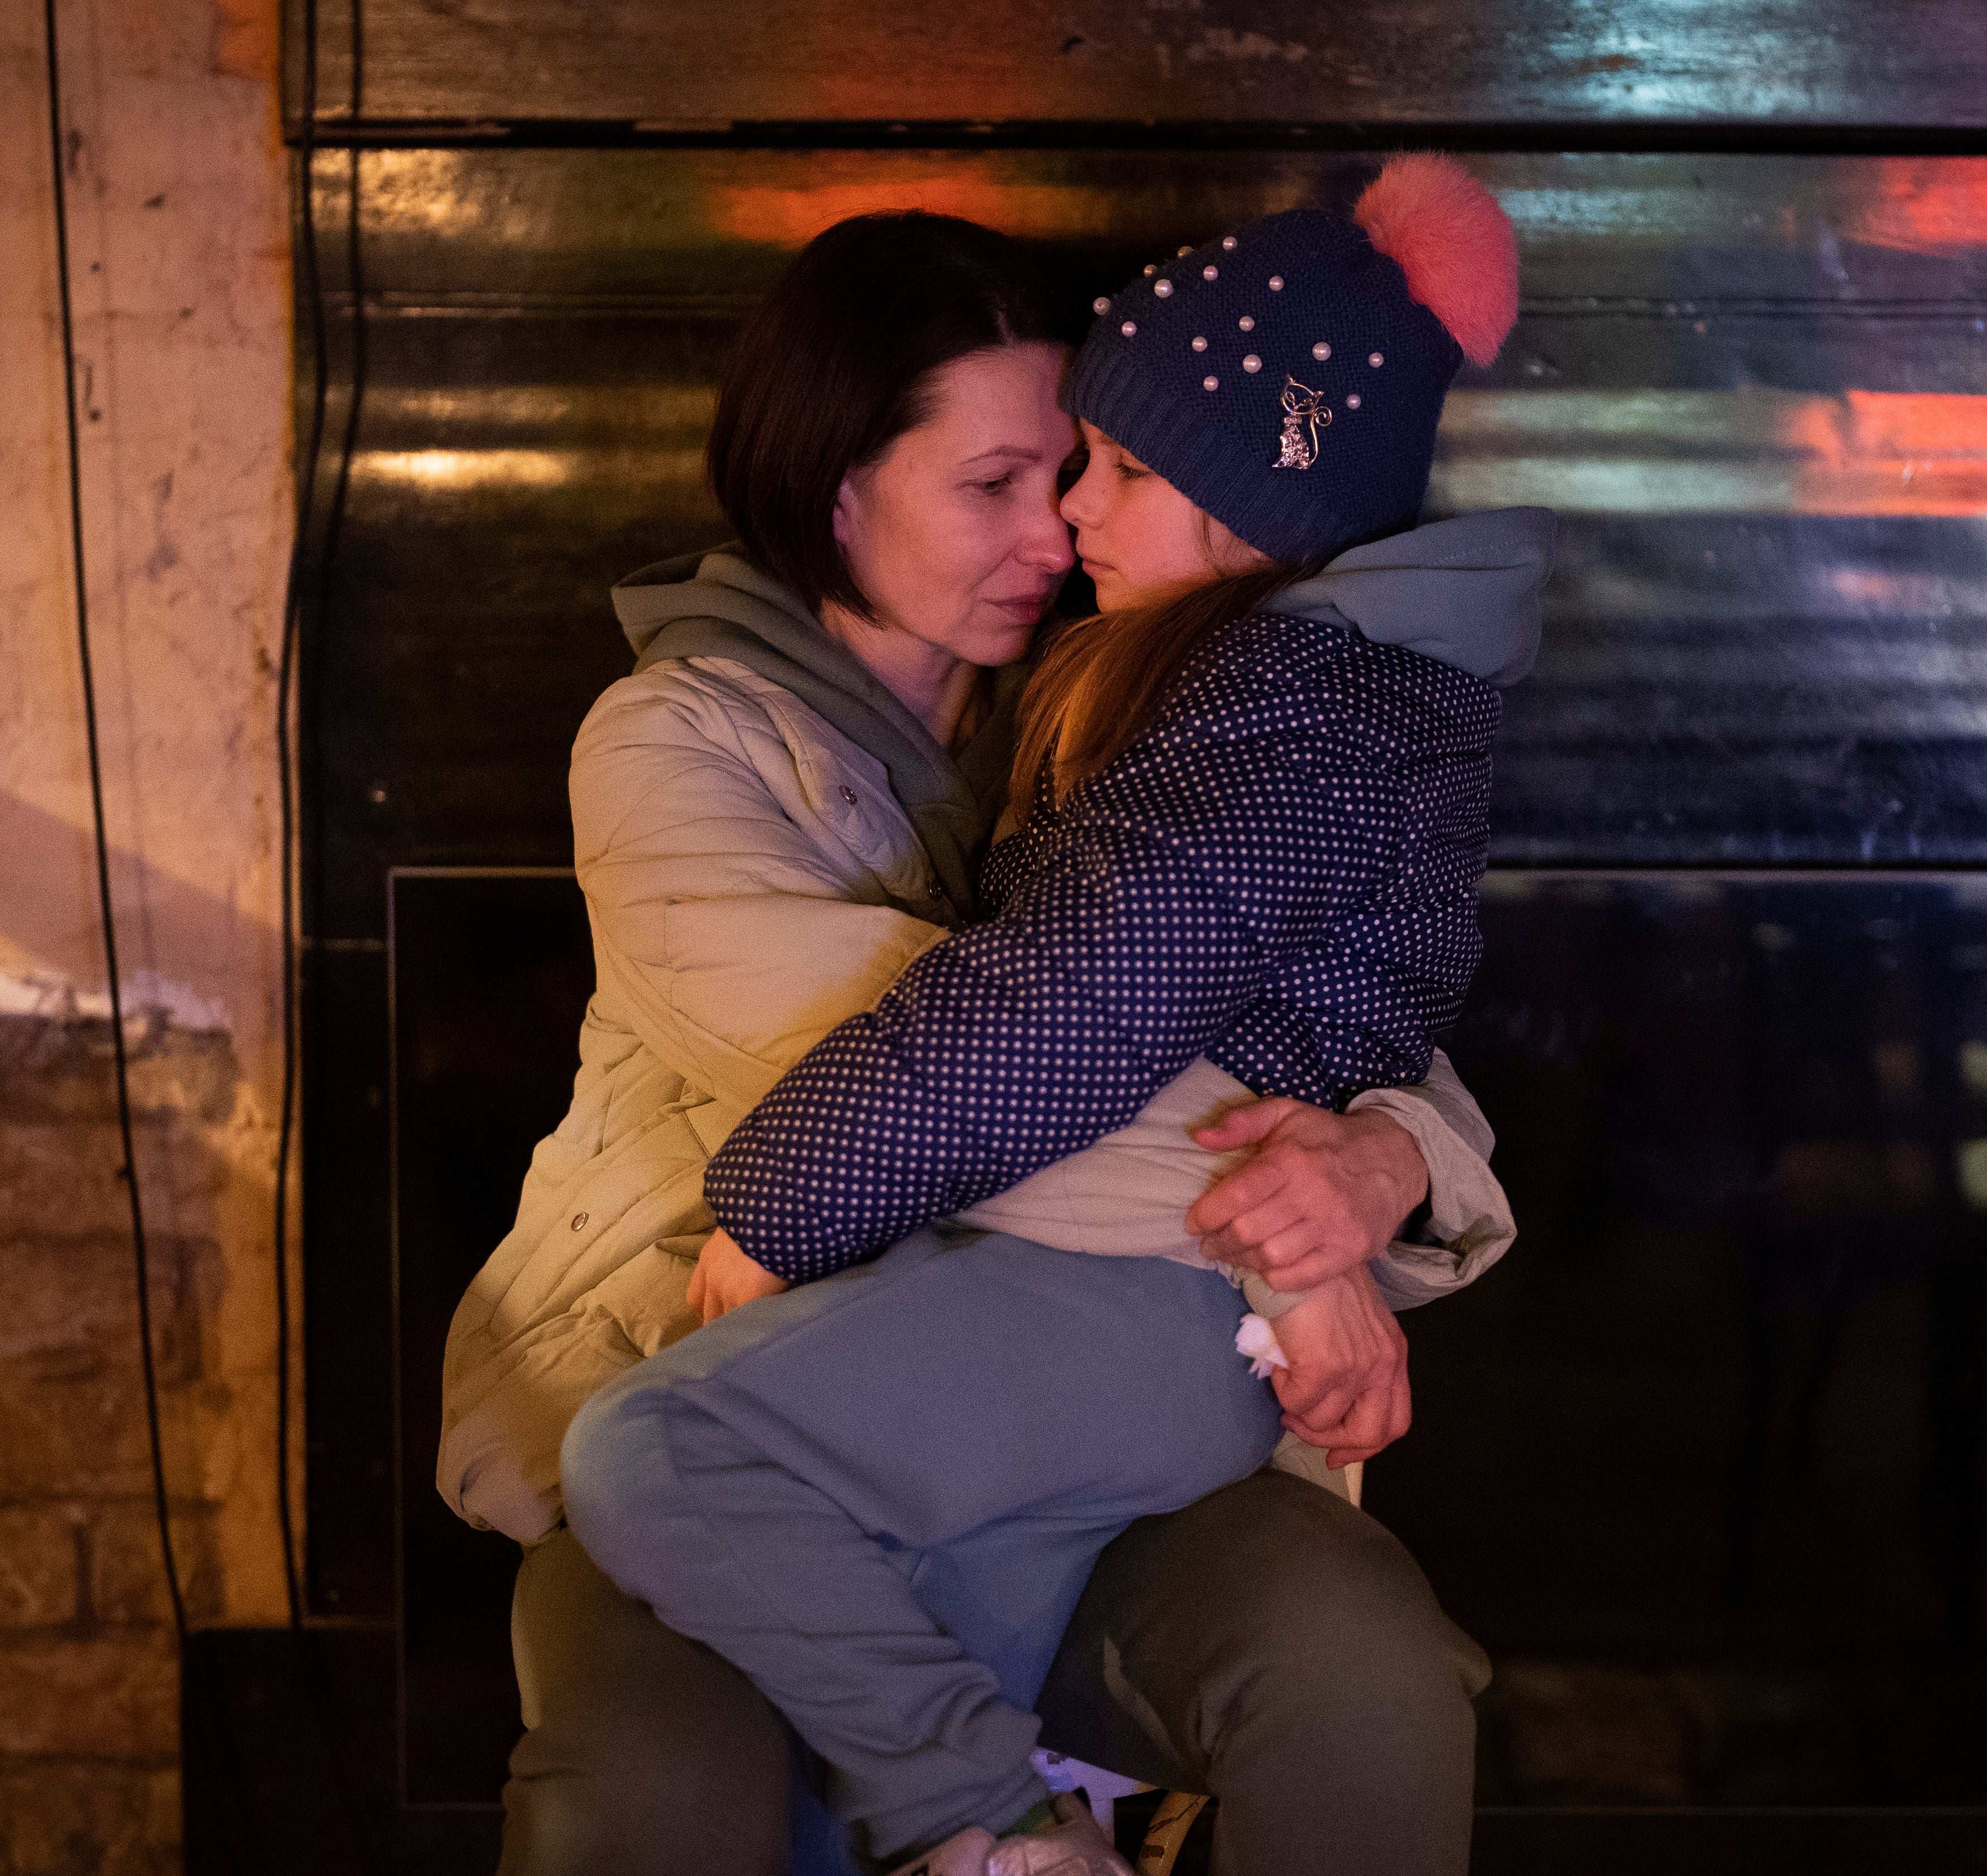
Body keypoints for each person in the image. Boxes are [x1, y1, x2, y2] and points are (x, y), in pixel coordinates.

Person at [441, 201, 1527, 1875]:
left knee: (1364, 1670)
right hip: (734, 1363)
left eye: (1092, 467)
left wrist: (1386, 1157)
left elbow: (1321, 1002)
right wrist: (1282, 1247)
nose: (1060, 523)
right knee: (668, 1768)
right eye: (997, 482)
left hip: (1050, 1377)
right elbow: (992, 1032)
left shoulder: (1162, 695)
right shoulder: (670, 741)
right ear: (839, 486)